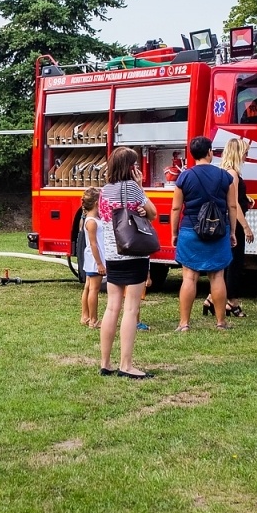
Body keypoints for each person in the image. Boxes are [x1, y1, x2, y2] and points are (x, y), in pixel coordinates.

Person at [98, 147, 157, 379]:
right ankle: (126, 365)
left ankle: (105, 363)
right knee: (131, 309)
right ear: (130, 167)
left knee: (112, 307)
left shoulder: (104, 191)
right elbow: (152, 213)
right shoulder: (132, 187)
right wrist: (140, 187)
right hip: (134, 253)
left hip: (113, 254)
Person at [172, 136, 237, 332]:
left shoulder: (184, 177)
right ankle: (221, 322)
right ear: (209, 152)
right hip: (218, 230)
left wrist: (174, 233)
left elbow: (176, 208)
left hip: (190, 229)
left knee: (189, 277)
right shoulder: (225, 176)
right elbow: (232, 206)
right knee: (217, 276)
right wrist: (232, 231)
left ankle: (184, 323)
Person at [208, 138, 254, 319]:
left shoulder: (224, 171)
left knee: (228, 262)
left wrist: (246, 198)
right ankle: (232, 301)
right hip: (233, 221)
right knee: (235, 263)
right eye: (245, 152)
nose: (246, 156)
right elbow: (233, 203)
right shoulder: (233, 174)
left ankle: (211, 298)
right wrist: (245, 227)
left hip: (226, 221)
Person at [78, 187, 105, 328]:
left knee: (88, 287)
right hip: (95, 259)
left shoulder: (91, 219)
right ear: (96, 203)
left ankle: (85, 316)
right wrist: (99, 263)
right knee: (94, 289)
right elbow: (94, 244)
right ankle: (93, 320)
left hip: (91, 259)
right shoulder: (92, 222)